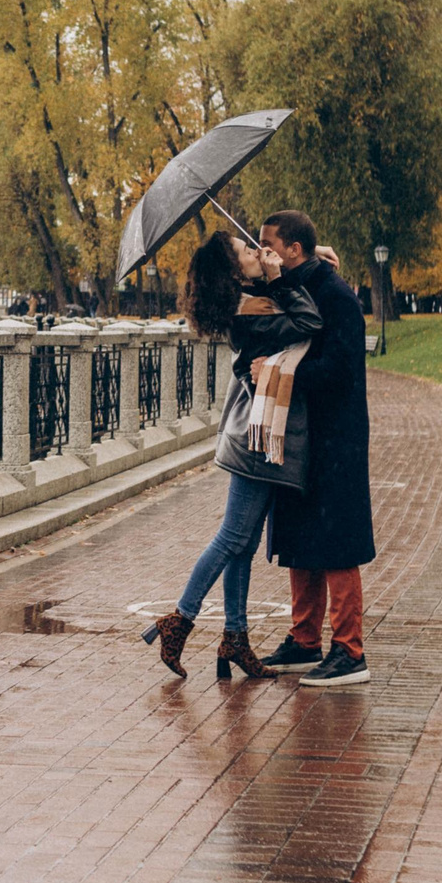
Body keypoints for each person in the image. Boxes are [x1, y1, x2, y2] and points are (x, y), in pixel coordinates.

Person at [143, 229, 322, 681]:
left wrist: (306, 259)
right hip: (254, 442)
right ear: (233, 271)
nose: (257, 252)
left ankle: (236, 638)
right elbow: (308, 321)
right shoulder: (249, 315)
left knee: (241, 544)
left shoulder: (253, 300)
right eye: (247, 251)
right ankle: (179, 621)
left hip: (258, 435)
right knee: (231, 538)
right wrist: (281, 278)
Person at [257, 210, 376, 687]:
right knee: (302, 536)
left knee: (336, 540)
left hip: (336, 438)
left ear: (294, 250)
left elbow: (340, 370)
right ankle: (304, 641)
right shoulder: (295, 288)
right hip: (301, 433)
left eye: (269, 244)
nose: (263, 250)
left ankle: (350, 652)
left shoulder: (336, 297)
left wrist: (279, 373)